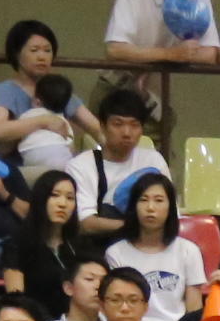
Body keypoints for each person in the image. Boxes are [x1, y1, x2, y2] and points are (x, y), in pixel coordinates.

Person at [0, 21, 99, 178]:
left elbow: (96, 128)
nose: (42, 57)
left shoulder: (57, 89)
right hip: (16, 174)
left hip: (58, 177)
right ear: (17, 54)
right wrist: (43, 121)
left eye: (47, 50)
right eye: (34, 50)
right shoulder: (5, 90)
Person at [103, 171, 205, 321]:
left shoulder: (188, 251)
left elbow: (194, 311)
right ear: (134, 207)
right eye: (143, 200)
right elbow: (113, 307)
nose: (150, 208)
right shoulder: (115, 253)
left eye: (158, 200)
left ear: (170, 207)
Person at [68, 90, 171, 239]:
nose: (127, 133)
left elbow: (171, 213)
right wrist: (138, 226)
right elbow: (86, 223)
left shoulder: (153, 160)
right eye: (118, 124)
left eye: (134, 125)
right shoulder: (81, 165)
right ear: (102, 126)